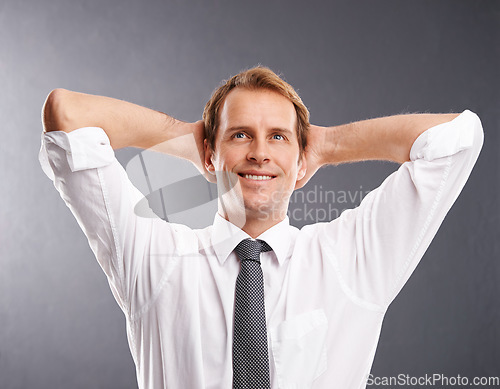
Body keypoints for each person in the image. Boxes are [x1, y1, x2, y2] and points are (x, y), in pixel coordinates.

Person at [39, 66, 483, 389]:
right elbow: (66, 115)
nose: (259, 153)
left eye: (278, 137)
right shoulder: (154, 259)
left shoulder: (350, 257)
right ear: (211, 156)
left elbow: (457, 140)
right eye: (239, 135)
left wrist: (325, 145)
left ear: (300, 160)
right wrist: (185, 137)